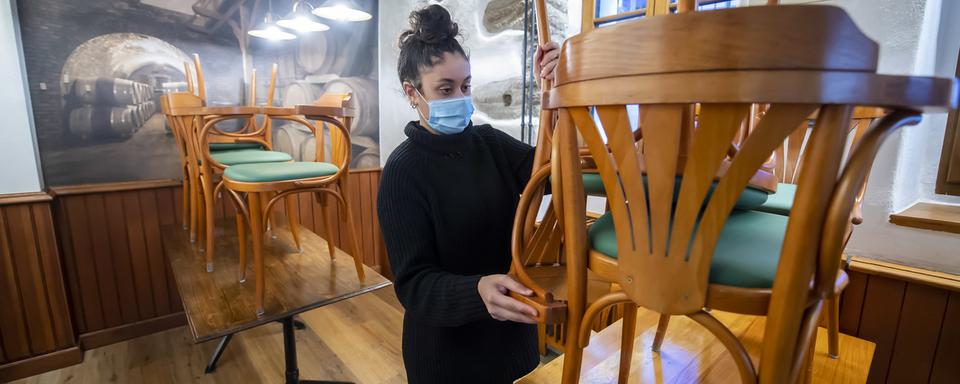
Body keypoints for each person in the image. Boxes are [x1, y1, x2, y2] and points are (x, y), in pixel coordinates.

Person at [376, 4, 561, 384]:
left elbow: (552, 177)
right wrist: (476, 291)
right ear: (413, 93)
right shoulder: (402, 172)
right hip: (446, 358)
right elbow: (413, 285)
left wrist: (559, 91)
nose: (461, 97)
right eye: (445, 89)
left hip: (515, 343)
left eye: (466, 85)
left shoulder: (490, 143)